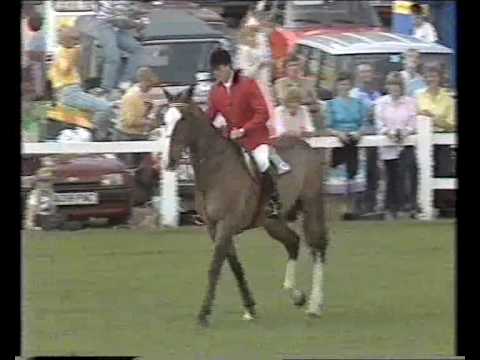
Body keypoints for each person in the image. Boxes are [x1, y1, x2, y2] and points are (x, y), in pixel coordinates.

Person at [207, 48, 290, 218]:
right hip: (231, 141)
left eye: (218, 70)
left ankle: (273, 202)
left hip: (255, 138)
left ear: (227, 67)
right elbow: (210, 116)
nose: (216, 75)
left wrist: (244, 129)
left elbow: (263, 113)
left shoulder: (248, 84)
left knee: (261, 162)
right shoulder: (216, 91)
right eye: (214, 71)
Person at [48, 21, 114, 141]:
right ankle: (97, 138)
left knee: (98, 109)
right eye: (74, 40)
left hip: (71, 91)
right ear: (67, 39)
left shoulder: (67, 51)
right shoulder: (63, 52)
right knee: (105, 107)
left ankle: (93, 133)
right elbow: (64, 69)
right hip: (70, 92)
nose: (76, 43)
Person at [375, 72, 418, 220]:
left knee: (406, 175)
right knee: (391, 175)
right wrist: (389, 132)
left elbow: (413, 122)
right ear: (387, 86)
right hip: (388, 144)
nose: (394, 88)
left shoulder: (410, 102)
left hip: (406, 144)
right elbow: (379, 123)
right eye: (392, 85)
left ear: (402, 87)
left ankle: (408, 206)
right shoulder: (381, 102)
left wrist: (404, 132)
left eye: (397, 85)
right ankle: (390, 208)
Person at [326, 71, 368, 218]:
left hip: (355, 140)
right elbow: (328, 126)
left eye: (347, 84)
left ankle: (353, 208)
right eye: (342, 84)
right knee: (341, 176)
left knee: (354, 173)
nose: (345, 86)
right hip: (339, 142)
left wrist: (359, 132)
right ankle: (342, 208)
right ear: (337, 85)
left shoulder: (359, 103)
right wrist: (338, 133)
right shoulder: (331, 104)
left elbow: (364, 123)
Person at [417, 62, 456, 217]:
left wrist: (433, 118)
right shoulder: (420, 96)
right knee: (424, 172)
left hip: (442, 141)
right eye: (428, 76)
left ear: (439, 77)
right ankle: (427, 205)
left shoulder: (448, 99)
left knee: (444, 171)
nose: (430, 78)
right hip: (423, 142)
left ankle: (445, 208)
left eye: (433, 75)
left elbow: (452, 124)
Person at [90, 1, 147, 98]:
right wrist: (135, 23)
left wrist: (140, 25)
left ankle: (125, 83)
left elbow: (138, 16)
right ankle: (106, 88)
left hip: (119, 27)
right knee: (113, 56)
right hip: (105, 25)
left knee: (137, 49)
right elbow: (117, 18)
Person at [350, 63, 382, 214]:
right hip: (358, 137)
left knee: (373, 171)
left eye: (368, 71)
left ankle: (372, 203)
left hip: (374, 137)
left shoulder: (377, 95)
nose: (366, 75)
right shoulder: (354, 94)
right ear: (358, 75)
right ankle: (358, 205)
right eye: (362, 72)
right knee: (359, 170)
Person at [114, 67, 161, 166]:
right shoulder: (131, 97)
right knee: (131, 168)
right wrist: (149, 122)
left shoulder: (144, 96)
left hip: (138, 136)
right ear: (143, 81)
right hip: (126, 137)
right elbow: (129, 121)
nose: (151, 87)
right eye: (149, 83)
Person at [274, 56, 323, 130]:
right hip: (286, 114)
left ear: (301, 68)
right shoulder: (280, 83)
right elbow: (282, 101)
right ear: (286, 69)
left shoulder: (308, 82)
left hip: (304, 115)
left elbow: (315, 103)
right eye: (291, 65)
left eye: (296, 65)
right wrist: (302, 101)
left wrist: (299, 102)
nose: (294, 68)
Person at [24, 12, 46, 100]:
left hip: (36, 60)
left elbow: (31, 51)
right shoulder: (40, 35)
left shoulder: (35, 36)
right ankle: (40, 92)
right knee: (39, 76)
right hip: (39, 59)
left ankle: (39, 94)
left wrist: (29, 55)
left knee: (38, 76)